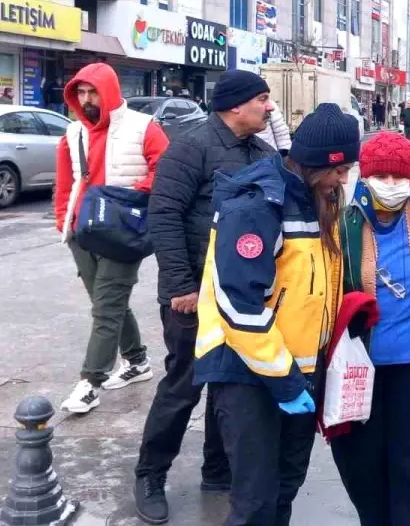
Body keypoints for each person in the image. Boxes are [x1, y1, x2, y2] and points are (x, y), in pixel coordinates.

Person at [194, 102, 360, 526]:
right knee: (255, 502)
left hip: (298, 373)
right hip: (249, 375)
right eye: (339, 171)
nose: (344, 180)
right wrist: (285, 383)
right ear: (317, 164)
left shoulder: (318, 203)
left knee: (285, 488)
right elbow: (237, 305)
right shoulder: (257, 208)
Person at [134, 70, 276, 524]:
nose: (270, 108)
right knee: (183, 385)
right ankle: (150, 473)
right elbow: (165, 215)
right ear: (235, 105)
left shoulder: (264, 153)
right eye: (262, 100)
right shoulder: (190, 147)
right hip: (192, 297)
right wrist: (180, 286)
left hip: (239, 298)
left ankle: (217, 470)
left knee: (230, 384)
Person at [329, 131, 410, 526]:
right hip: (359, 366)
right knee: (363, 465)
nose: (391, 185)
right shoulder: (342, 224)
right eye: (382, 177)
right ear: (365, 177)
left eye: (399, 177)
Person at [54, 63, 170, 414]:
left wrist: (136, 194)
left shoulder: (143, 127)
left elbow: (165, 167)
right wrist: (65, 222)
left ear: (109, 91)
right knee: (107, 304)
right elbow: (64, 183)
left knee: (106, 308)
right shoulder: (73, 134)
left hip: (122, 232)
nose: (87, 99)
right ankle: (136, 361)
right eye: (81, 93)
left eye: (93, 92)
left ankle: (90, 382)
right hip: (82, 233)